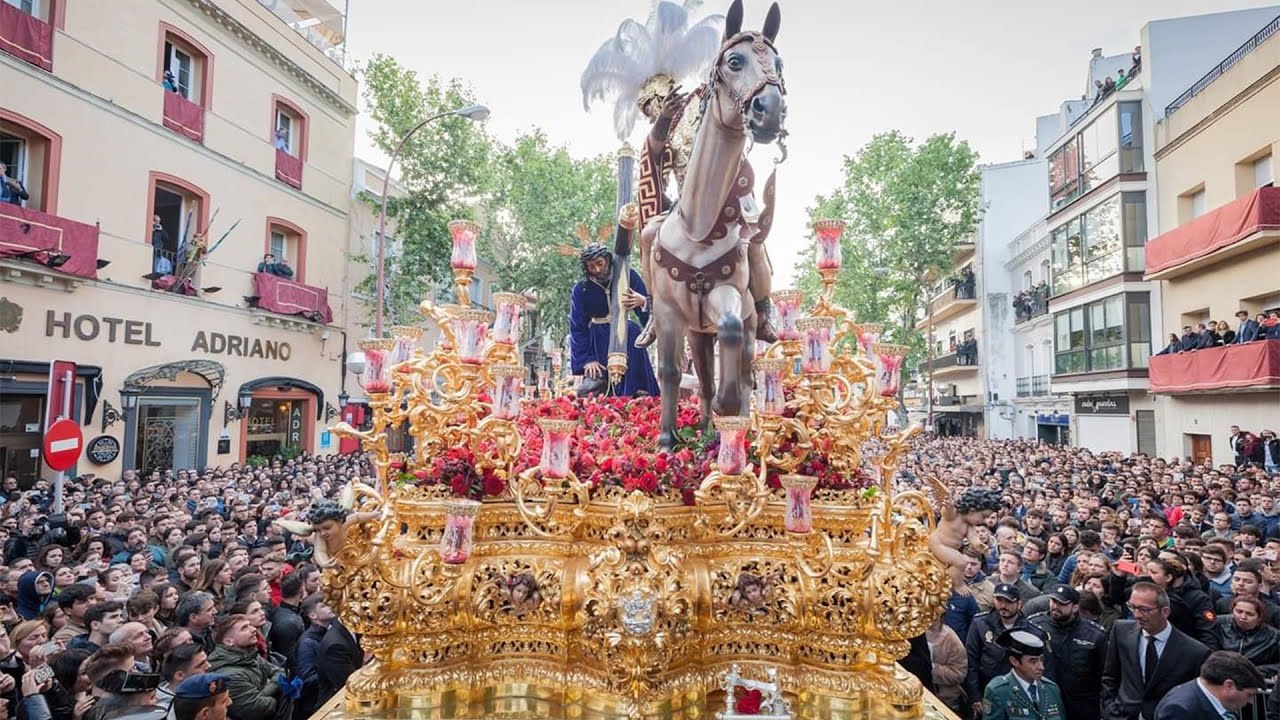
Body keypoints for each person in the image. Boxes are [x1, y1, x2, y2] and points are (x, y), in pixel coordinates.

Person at [1100, 581, 1210, 720]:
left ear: (1165, 612)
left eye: (1144, 609)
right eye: (1132, 607)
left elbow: (1195, 697)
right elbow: (1110, 676)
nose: (1136, 615)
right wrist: (1109, 710)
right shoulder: (1121, 631)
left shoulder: (1194, 651)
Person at [567, 243, 659, 397]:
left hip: (629, 337)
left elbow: (650, 314)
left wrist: (642, 302)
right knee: (594, 391)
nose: (597, 269)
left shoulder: (628, 276)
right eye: (591, 266)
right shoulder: (581, 289)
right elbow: (577, 327)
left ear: (607, 260)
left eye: (600, 264)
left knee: (638, 389)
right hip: (598, 341)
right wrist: (587, 360)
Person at [1028, 584, 1107, 720]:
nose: (1055, 606)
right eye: (1053, 601)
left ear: (1075, 607)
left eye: (1062, 604)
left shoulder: (1094, 635)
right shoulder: (1034, 626)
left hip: (1081, 705)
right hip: (1043, 699)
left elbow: (1105, 673)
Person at [981, 629, 1065, 720]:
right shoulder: (999, 691)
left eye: (1041, 660)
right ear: (1014, 661)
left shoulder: (1051, 689)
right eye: (1033, 661)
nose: (1041, 667)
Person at [1153, 650, 1264, 720]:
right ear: (1229, 685)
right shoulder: (1179, 710)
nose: (1251, 701)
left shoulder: (1214, 702)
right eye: (1249, 694)